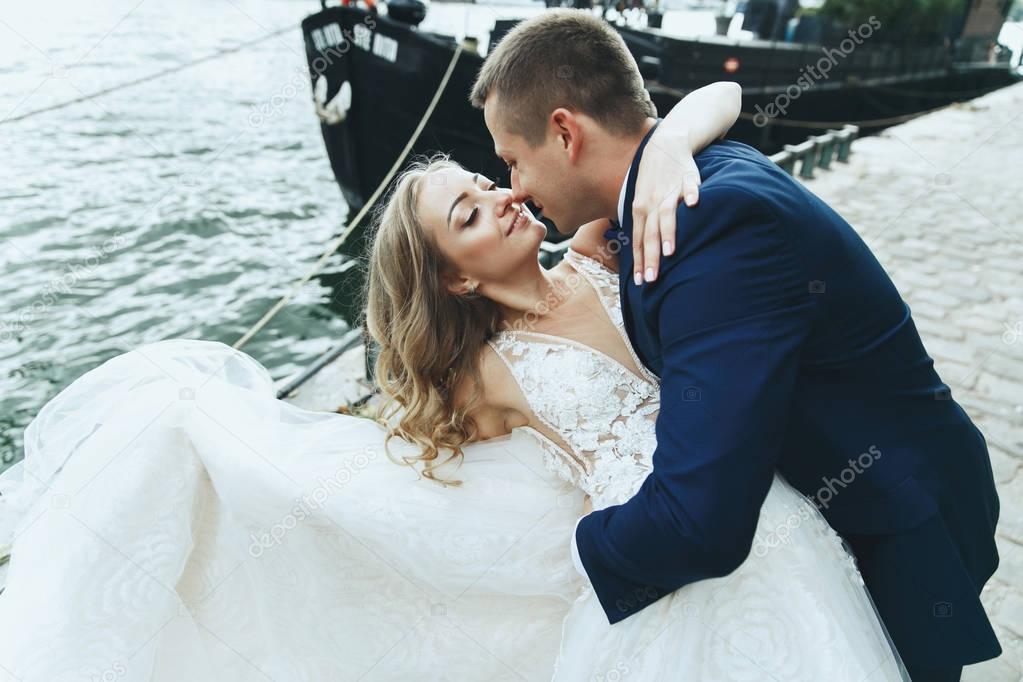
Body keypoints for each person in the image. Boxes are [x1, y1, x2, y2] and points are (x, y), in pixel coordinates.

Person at [0, 84, 739, 681]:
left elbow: (720, 97)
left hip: (733, 499)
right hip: (653, 573)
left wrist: (668, 142)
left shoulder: (598, 251)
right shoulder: (485, 375)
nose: (505, 200)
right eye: (470, 214)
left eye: (489, 184)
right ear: (453, 276)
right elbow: (389, 498)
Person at [469, 9, 1002, 681]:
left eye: (512, 161)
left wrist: (571, 554)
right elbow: (721, 102)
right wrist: (673, 136)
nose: (515, 188)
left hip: (896, 524)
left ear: (565, 131)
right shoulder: (684, 174)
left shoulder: (710, 226)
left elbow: (701, 523)